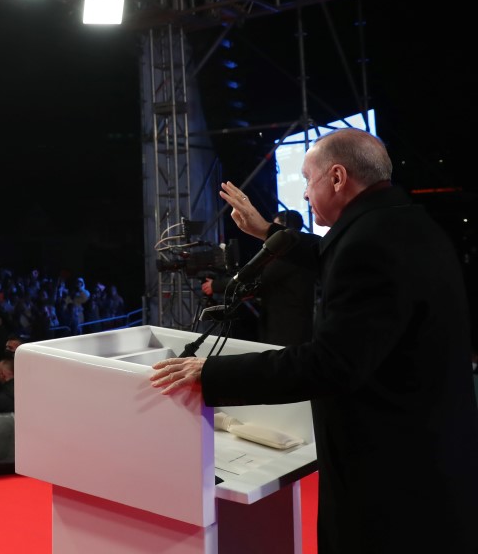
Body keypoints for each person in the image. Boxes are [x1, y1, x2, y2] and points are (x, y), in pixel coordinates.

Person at [150, 128, 478, 554]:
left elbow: (330, 365)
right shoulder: (401, 222)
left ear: (337, 177)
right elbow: (332, 256)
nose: (304, 193)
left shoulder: (369, 243)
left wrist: (210, 374)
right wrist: (268, 232)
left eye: (308, 179)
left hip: (389, 475)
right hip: (428, 455)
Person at [202, 205, 322, 346]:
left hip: (287, 330)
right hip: (288, 326)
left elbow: (258, 280)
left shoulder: (289, 257)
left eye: (276, 228)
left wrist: (215, 285)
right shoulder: (298, 254)